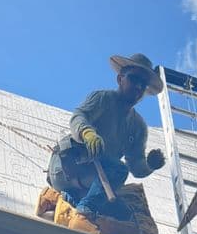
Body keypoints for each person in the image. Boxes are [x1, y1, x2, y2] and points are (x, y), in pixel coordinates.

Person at [48, 53, 166, 222]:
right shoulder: (103, 99)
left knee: (123, 213)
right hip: (68, 166)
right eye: (134, 79)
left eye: (143, 84)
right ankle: (85, 209)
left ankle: (71, 198)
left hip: (94, 178)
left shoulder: (138, 126)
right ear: (120, 79)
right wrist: (87, 133)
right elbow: (78, 116)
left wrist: (150, 165)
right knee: (119, 170)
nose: (138, 87)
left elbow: (136, 166)